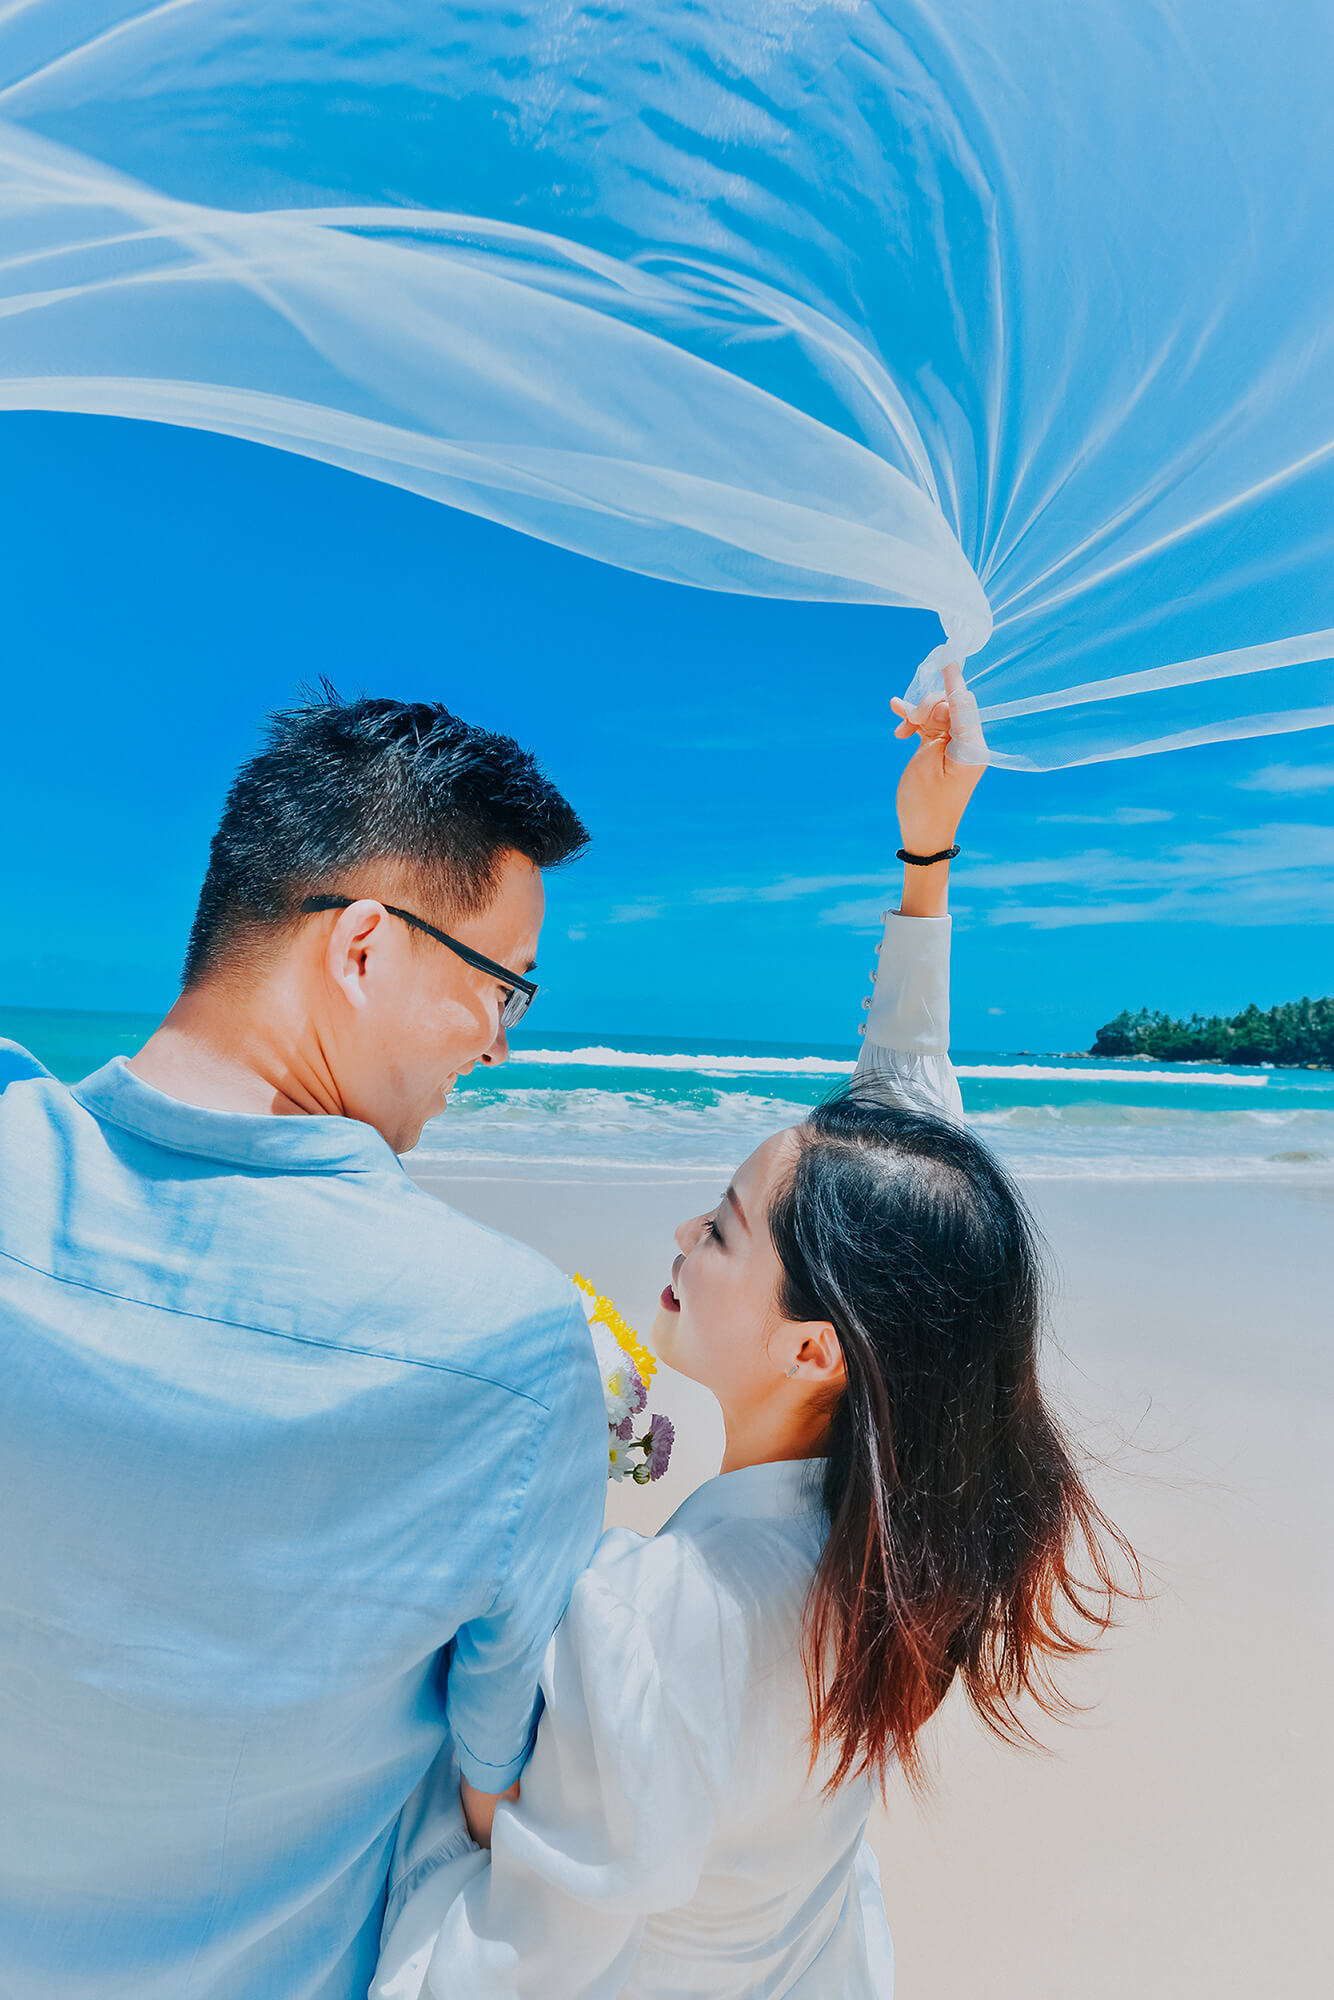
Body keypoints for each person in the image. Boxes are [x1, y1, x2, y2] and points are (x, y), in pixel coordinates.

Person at [372, 666, 1135, 1999]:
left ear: (815, 1353)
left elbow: (515, 1898)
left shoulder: (664, 1615)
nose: (679, 1239)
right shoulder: (906, 1539)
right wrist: (924, 859)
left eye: (721, 1229)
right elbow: (907, 1174)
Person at [0, 699, 609, 1998]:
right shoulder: (502, 1341)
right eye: (499, 983)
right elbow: (502, 1788)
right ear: (366, 949)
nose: (503, 1039)